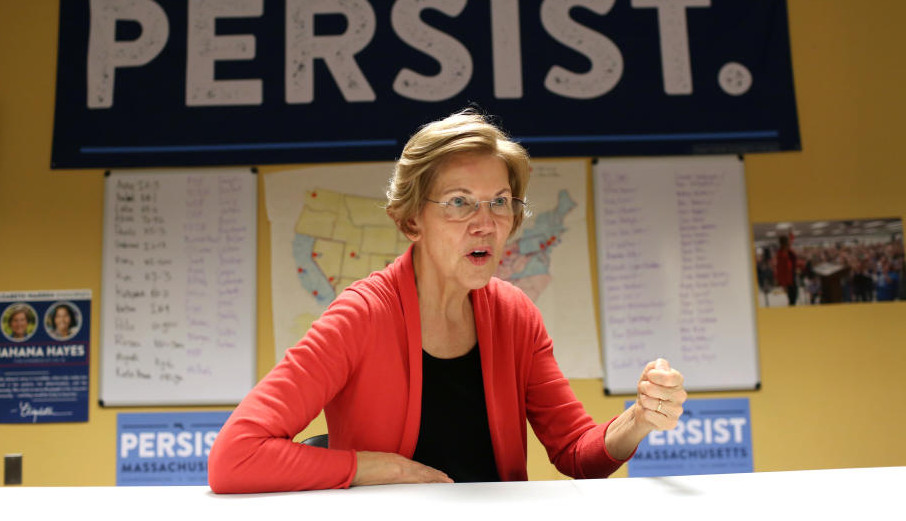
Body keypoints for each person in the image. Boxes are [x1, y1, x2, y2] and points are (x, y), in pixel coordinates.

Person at [208, 110, 686, 493]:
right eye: (459, 202)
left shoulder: (515, 315)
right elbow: (235, 456)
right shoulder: (361, 316)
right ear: (412, 220)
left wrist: (638, 419)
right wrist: (378, 469)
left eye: (500, 201)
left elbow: (577, 454)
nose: (486, 222)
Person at [775, 234, 798, 306]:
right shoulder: (782, 254)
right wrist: (783, 284)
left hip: (791, 277)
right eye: (787, 242)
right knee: (792, 297)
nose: (788, 243)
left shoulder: (787, 251)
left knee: (794, 297)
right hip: (789, 280)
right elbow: (782, 270)